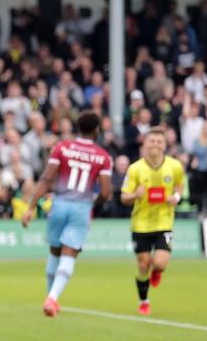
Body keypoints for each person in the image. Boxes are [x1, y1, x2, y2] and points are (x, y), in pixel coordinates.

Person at [21, 111, 113, 317]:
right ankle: (52, 298)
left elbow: (45, 179)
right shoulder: (103, 156)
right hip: (81, 207)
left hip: (59, 204)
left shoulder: (62, 147)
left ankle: (50, 296)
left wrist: (31, 207)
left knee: (55, 251)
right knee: (69, 253)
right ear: (97, 130)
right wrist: (93, 201)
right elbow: (106, 193)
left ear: (77, 128)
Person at [120, 127, 185, 315]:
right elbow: (124, 198)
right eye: (152, 141)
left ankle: (157, 272)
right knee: (142, 265)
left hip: (164, 222)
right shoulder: (135, 169)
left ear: (165, 145)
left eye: (159, 142)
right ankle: (144, 301)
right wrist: (135, 195)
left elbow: (180, 185)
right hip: (140, 224)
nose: (155, 145)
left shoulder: (175, 166)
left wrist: (177, 197)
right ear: (145, 143)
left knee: (160, 263)